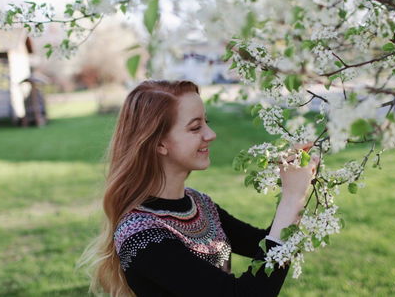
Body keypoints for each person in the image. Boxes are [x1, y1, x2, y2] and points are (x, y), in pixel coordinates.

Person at [78, 80, 318, 297]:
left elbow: (265, 245)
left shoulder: (199, 204)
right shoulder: (141, 235)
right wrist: (291, 198)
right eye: (195, 128)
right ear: (159, 143)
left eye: (207, 122)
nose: (211, 134)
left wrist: (298, 185)